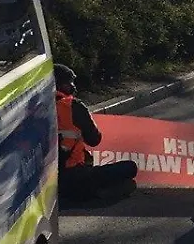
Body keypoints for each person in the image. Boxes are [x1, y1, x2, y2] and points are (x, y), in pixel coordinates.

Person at [54, 64, 138, 200]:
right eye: (70, 82)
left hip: (43, 183)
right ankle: (93, 194)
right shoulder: (72, 106)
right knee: (130, 167)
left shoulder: (35, 106)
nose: (73, 87)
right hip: (72, 174)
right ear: (61, 85)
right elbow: (94, 139)